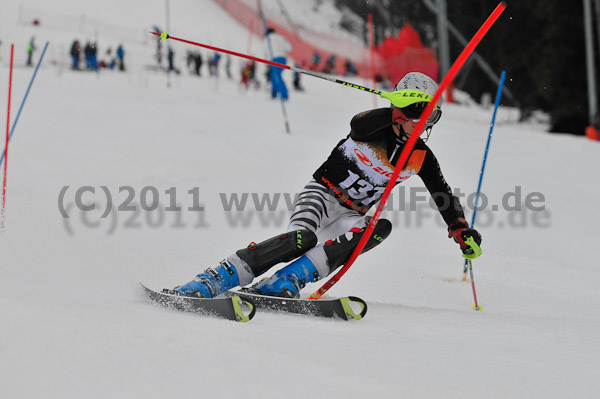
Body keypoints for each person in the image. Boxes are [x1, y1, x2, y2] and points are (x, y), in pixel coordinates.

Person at [170, 72, 483, 299]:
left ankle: (285, 280)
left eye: (432, 118)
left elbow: (441, 192)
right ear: (401, 110)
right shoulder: (372, 128)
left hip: (351, 214)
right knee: (302, 238)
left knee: (379, 227)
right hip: (322, 196)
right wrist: (395, 110)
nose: (424, 125)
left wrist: (459, 228)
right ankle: (219, 275)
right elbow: (357, 124)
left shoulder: (420, 157)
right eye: (420, 114)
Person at [264, 27, 291, 100]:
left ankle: (284, 95)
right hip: (283, 58)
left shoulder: (267, 38)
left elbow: (265, 51)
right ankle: (275, 93)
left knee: (276, 76)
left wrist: (266, 64)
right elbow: (289, 48)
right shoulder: (281, 37)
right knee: (274, 76)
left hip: (274, 58)